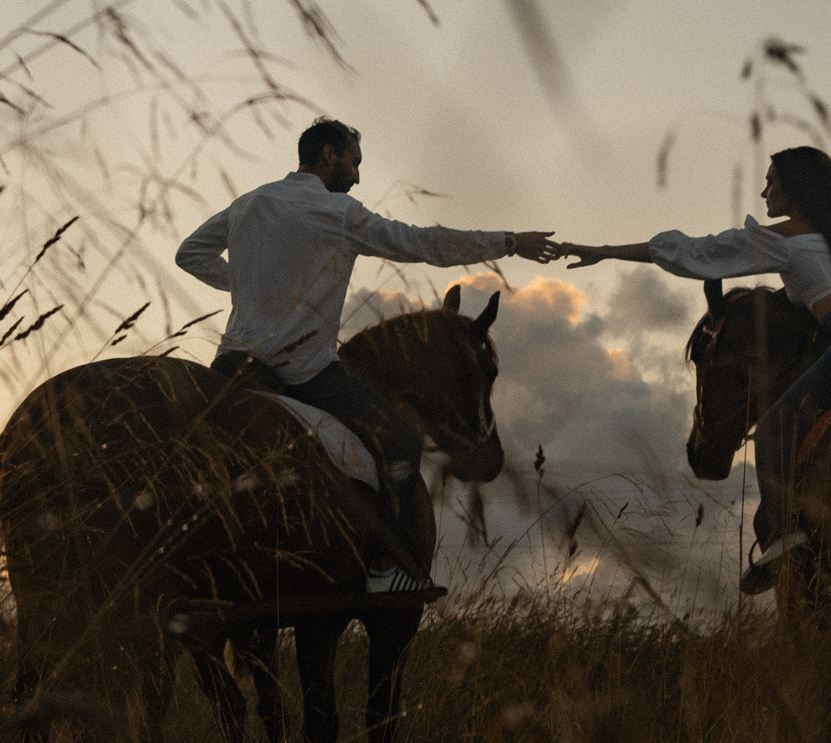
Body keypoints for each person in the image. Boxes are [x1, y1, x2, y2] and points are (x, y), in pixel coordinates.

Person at [176, 117, 558, 596]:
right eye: (354, 163)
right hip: (303, 374)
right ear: (330, 155)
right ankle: (386, 567)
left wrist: (251, 286)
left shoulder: (248, 202)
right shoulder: (337, 212)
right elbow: (419, 243)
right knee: (400, 440)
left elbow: (189, 254)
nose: (357, 176)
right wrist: (507, 242)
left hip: (232, 365)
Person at [556, 145, 831, 595]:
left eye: (771, 181)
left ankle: (784, 541)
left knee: (778, 425)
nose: (763, 192)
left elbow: (694, 252)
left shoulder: (787, 238)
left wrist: (603, 251)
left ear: (793, 190)